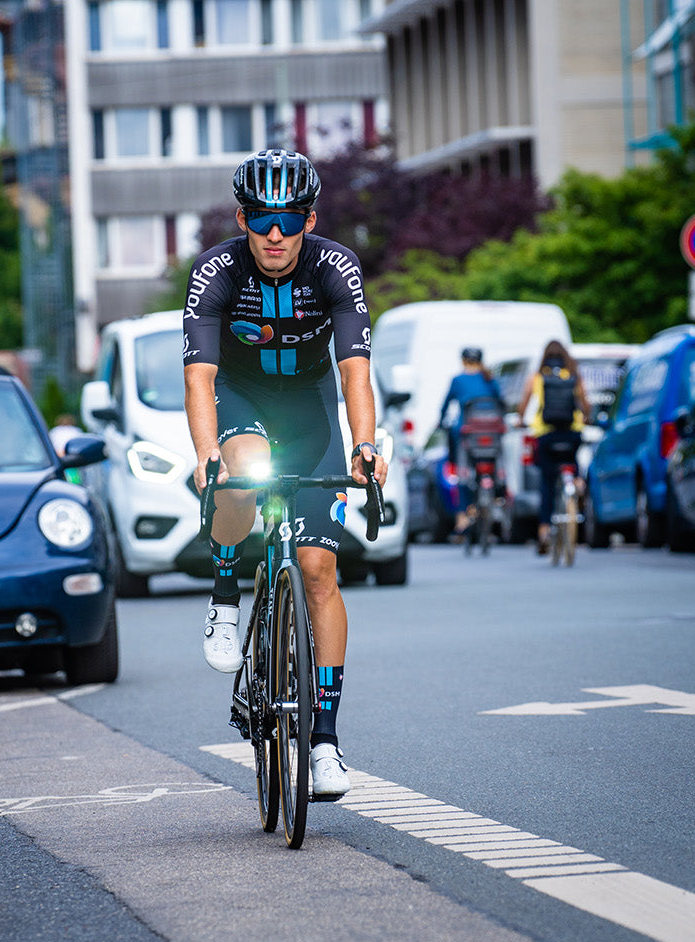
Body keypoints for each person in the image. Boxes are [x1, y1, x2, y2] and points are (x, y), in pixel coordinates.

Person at [183, 148, 388, 800]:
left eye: (290, 218)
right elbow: (200, 376)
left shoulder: (335, 266)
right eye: (263, 218)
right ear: (243, 218)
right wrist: (205, 450)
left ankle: (324, 741)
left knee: (319, 570)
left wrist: (365, 445)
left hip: (310, 414)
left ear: (309, 218)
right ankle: (224, 590)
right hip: (241, 404)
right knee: (240, 473)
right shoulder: (216, 270)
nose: (276, 233)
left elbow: (355, 368)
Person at [516, 340, 589, 554]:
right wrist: (587, 417)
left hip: (546, 434)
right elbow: (585, 402)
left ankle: (544, 531)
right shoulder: (574, 376)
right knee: (572, 463)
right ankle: (578, 485)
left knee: (547, 483)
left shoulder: (537, 377)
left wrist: (521, 420)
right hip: (571, 432)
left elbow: (524, 403)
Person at [439, 347, 502, 467]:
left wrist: (441, 421)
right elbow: (500, 400)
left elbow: (445, 405)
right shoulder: (490, 378)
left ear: (463, 361)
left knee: (452, 436)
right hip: (492, 427)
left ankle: (454, 467)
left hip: (467, 427)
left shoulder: (458, 380)